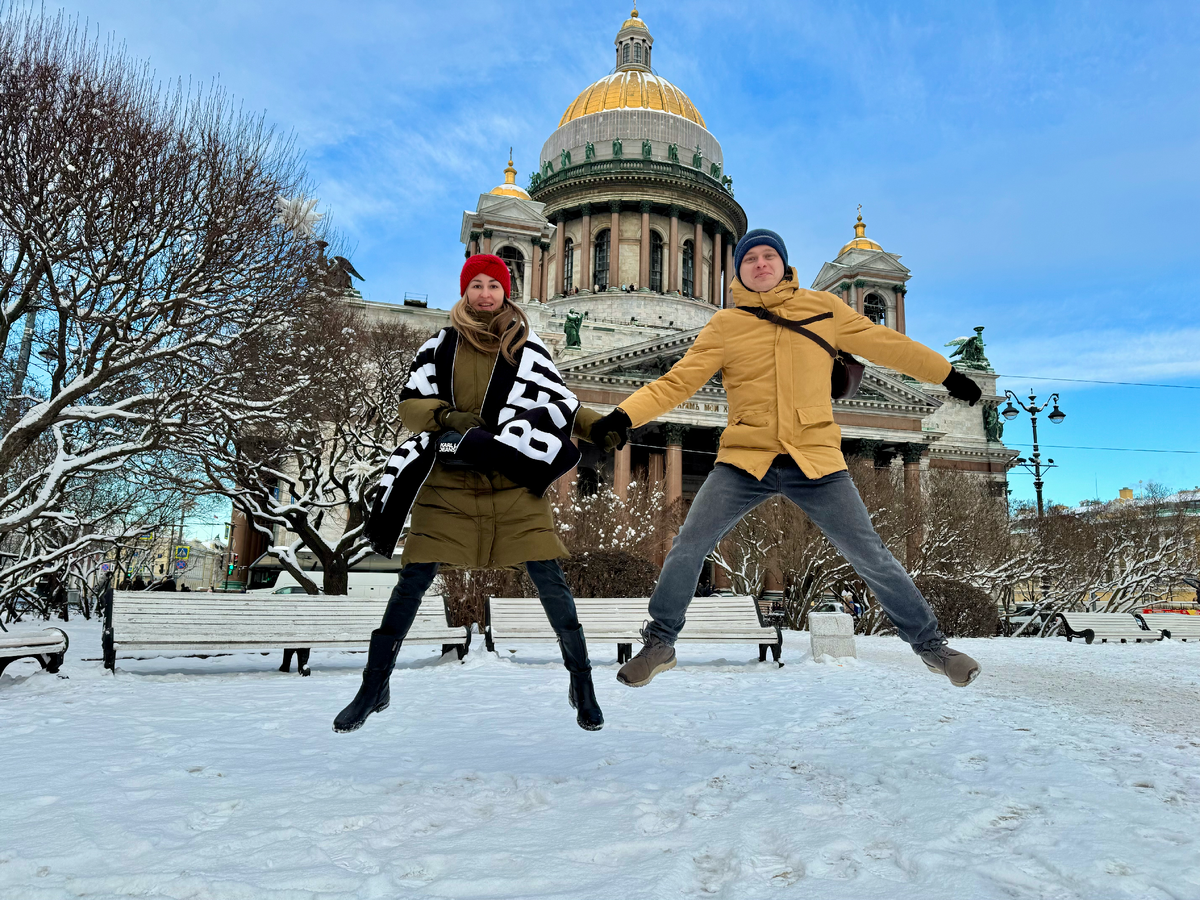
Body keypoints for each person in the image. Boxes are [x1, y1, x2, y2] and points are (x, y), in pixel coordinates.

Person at [590, 229, 985, 689]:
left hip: (815, 461)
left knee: (871, 554)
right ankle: (659, 643)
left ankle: (932, 646)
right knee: (689, 544)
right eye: (750, 258)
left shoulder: (825, 310)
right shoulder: (724, 325)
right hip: (745, 461)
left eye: (768, 256)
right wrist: (622, 416)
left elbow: (889, 344)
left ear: (783, 264)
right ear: (736, 269)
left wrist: (948, 374)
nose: (760, 264)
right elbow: (675, 383)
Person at [335, 254, 619, 734]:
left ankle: (582, 682)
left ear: (506, 292)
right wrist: (447, 418)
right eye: (477, 284)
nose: (486, 293)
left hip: (511, 480)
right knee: (413, 579)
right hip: (449, 481)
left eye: (494, 285)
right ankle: (374, 684)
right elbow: (410, 406)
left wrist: (600, 427)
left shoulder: (528, 352)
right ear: (465, 291)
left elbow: (561, 404)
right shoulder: (439, 346)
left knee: (551, 580)